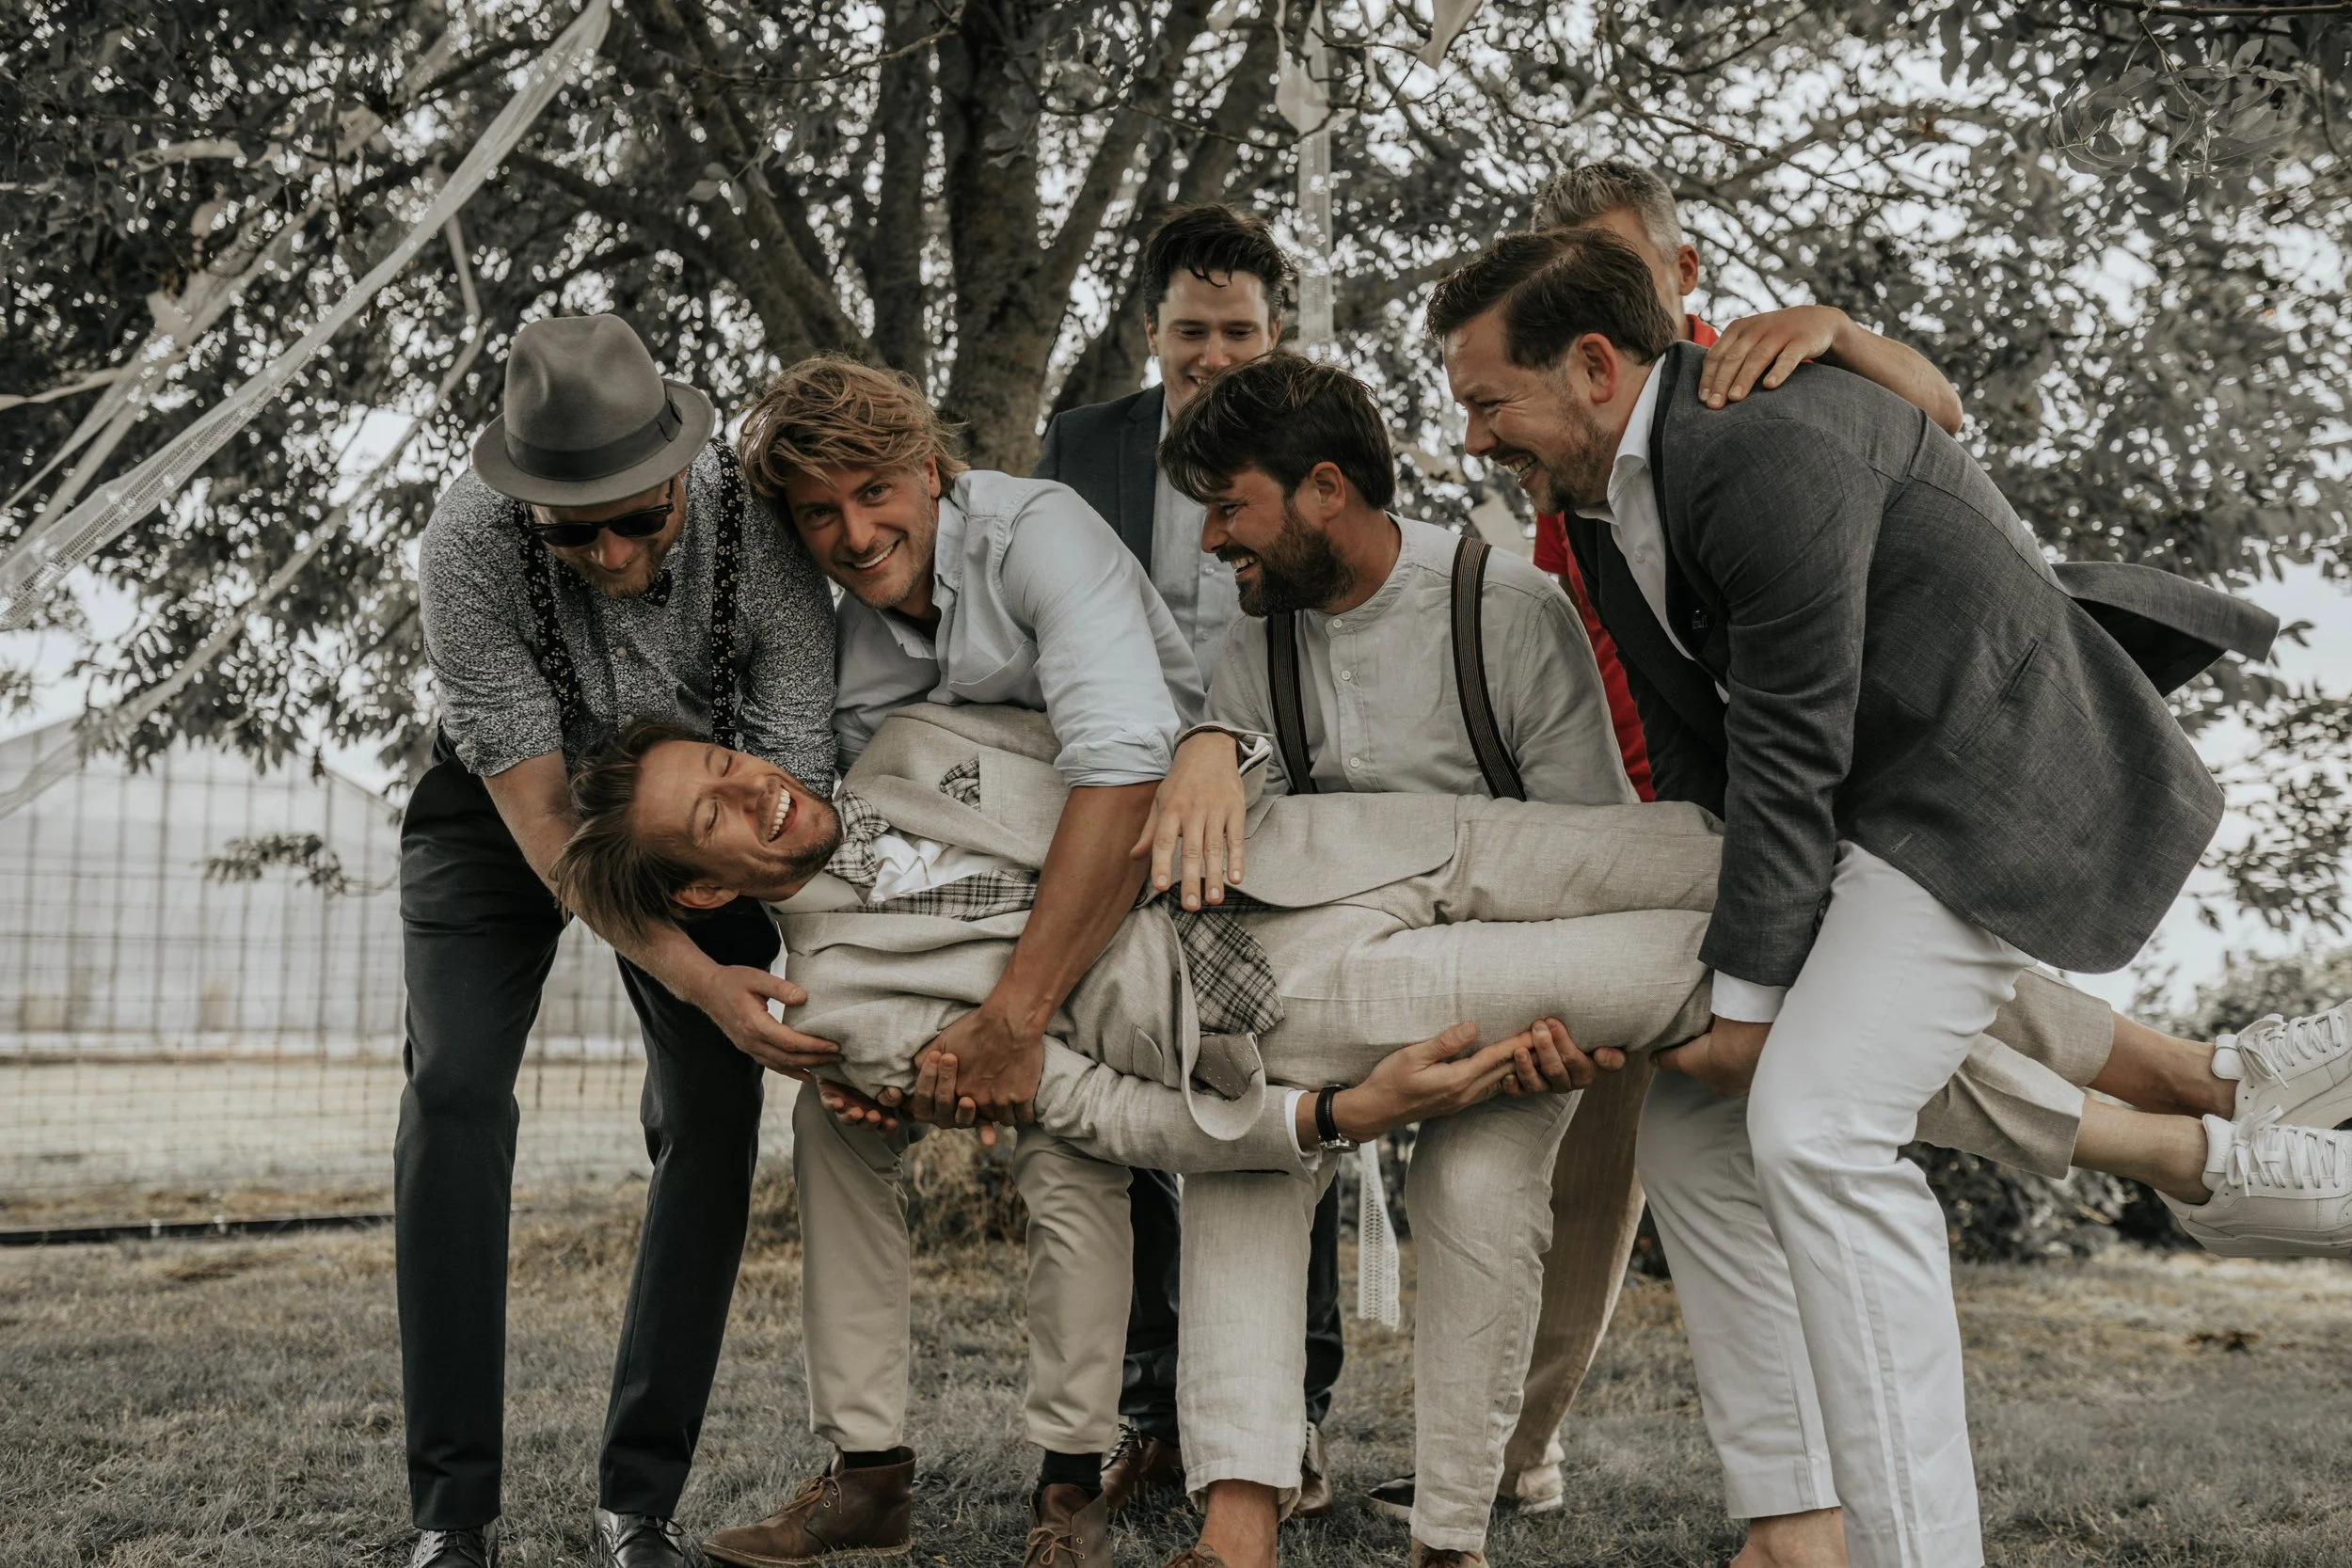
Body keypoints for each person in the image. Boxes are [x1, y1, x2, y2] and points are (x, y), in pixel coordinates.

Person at [552, 699, 2352, 1568]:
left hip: (1356, 837)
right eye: (715, 810)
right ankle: (2196, 1123)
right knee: (1710, 979)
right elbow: (1095, 1111)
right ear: (706, 881)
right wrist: (1333, 1117)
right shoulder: (842, 1005)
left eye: (725, 754)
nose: (751, 785)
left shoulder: (902, 737)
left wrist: (1203, 736)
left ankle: (2200, 1102)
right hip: (1295, 1003)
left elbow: (1139, 734)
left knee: (1793, 881)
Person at [1428, 225, 2280, 1568]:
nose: (1475, 436)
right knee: (1699, 1135)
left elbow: (1793, 739)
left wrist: (1751, 1002)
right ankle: (1797, 1528)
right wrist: (1695, 977)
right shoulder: (1594, 512)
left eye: (1486, 400)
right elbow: (1704, 758)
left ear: (1593, 365)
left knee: (1819, 1130)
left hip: (1991, 798)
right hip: (1875, 819)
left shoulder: (1758, 444)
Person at [691, 356, 1209, 1568]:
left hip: (1119, 871)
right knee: (836, 1116)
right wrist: (862, 1031)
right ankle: (866, 1473)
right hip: (956, 896)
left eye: (875, 491)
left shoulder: (1041, 535)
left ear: (932, 469)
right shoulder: (835, 628)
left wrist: (1018, 1016)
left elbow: (1126, 769)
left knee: (1066, 1145)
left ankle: (1070, 1478)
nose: (854, 532)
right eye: (819, 512)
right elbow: (863, 841)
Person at [402, 314, 838, 1568]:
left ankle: (637, 1499)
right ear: (522, 503)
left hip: (699, 818)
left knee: (713, 1105)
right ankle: (451, 1515)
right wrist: (697, 974)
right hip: (509, 807)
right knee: (456, 1089)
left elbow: (793, 761)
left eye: (638, 519)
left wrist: (752, 968)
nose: (607, 549)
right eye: (570, 528)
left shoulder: (756, 525)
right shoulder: (464, 545)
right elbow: (550, 830)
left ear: (678, 469)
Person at [1031, 202, 1341, 1515]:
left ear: (1277, 334)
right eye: (1191, 330)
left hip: (1285, 815)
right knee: (1139, 1101)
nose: (1215, 353)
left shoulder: (1324, 450)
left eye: (1241, 330)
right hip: (1123, 815)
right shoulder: (1081, 445)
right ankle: (1153, 1408)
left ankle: (1302, 1411)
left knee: (1285, 1096)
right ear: (1150, 331)